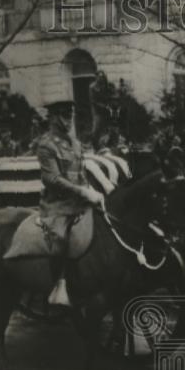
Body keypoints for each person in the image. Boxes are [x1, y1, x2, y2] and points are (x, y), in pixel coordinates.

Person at [36, 98, 106, 307]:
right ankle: (60, 284)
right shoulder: (46, 145)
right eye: (64, 115)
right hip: (58, 204)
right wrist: (82, 191)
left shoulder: (75, 144)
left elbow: (81, 173)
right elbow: (53, 180)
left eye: (70, 115)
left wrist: (91, 190)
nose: (68, 120)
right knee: (59, 238)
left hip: (80, 201)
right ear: (54, 117)